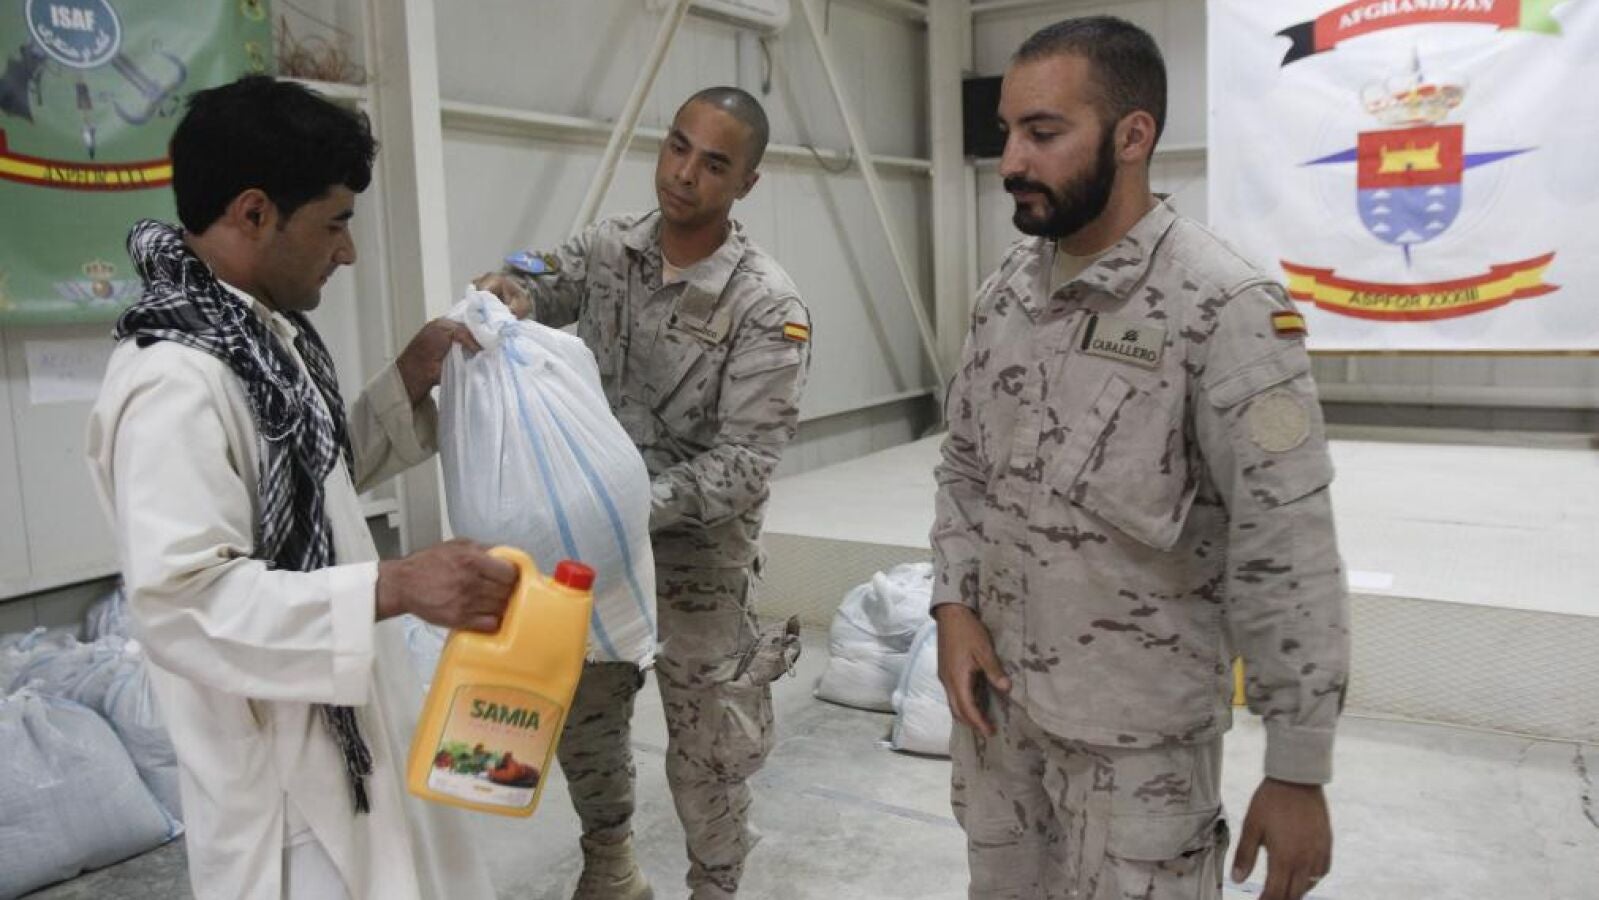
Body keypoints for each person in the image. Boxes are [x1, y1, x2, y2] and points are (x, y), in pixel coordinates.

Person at [930, 17, 1349, 900]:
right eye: (1007, 132)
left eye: (1043, 133)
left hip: (1137, 756)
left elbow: (1285, 546)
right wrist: (952, 606)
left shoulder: (1223, 307)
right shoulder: (1006, 293)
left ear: (1132, 136)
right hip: (1002, 725)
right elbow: (963, 468)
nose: (1010, 161)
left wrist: (1297, 766)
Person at [86, 76, 515, 900]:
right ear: (254, 213)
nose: (346, 252)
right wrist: (392, 586)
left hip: (345, 735)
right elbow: (183, 603)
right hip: (287, 792)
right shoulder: (174, 381)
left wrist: (406, 381)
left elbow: (313, 487)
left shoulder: (257, 341)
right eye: (336, 223)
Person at [475, 86, 810, 900]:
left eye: (714, 164)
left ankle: (714, 887)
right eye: (676, 147)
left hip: (697, 563)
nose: (684, 174)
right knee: (585, 720)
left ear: (747, 183)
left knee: (708, 751)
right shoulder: (607, 248)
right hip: (592, 552)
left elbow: (745, 462)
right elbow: (539, 277)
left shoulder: (767, 304)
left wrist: (625, 501)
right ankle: (611, 867)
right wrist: (510, 290)